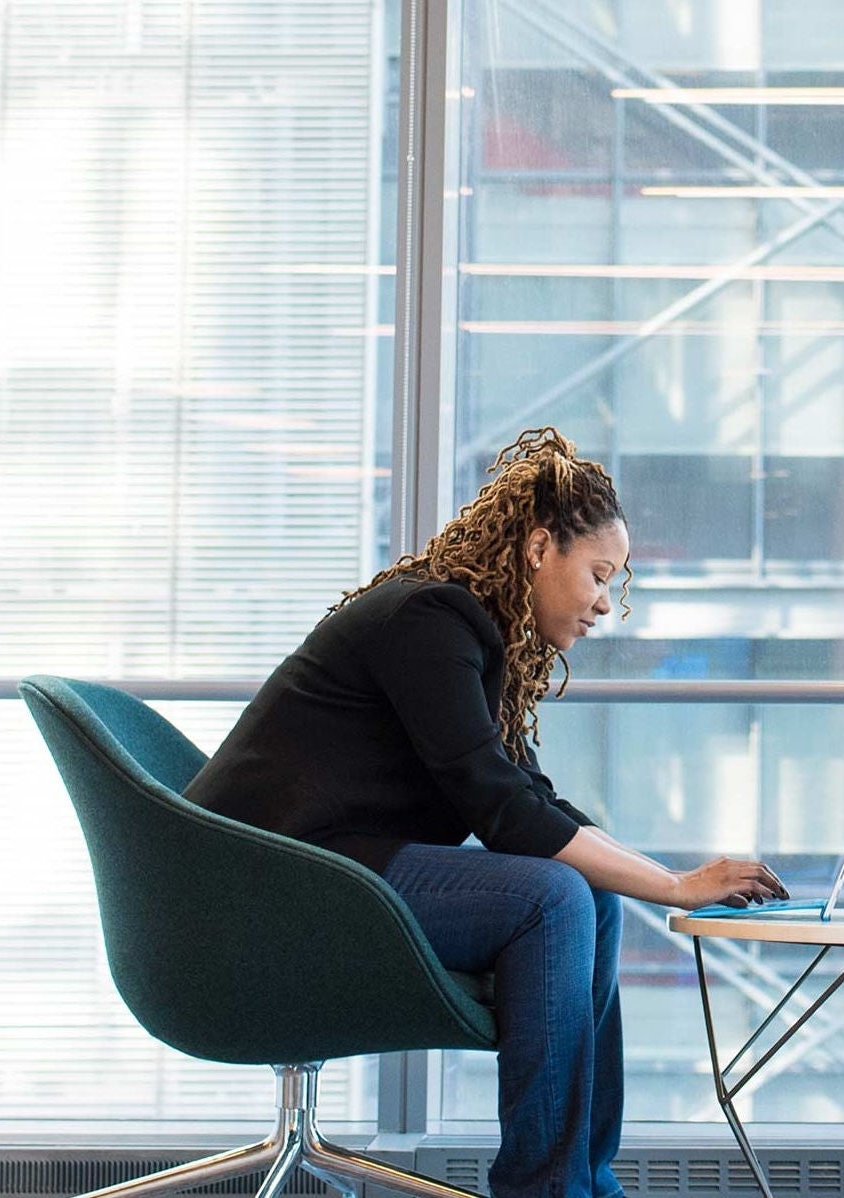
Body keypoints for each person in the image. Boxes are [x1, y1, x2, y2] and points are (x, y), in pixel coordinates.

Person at [186, 428, 786, 1198]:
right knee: (553, 897)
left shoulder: (465, 631)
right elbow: (500, 811)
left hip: (328, 867)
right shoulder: (430, 622)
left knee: (588, 895)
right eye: (599, 575)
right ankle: (545, 1190)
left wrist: (656, 876)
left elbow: (527, 798)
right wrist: (671, 886)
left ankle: (583, 1184)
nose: (607, 602)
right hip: (260, 885)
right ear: (539, 548)